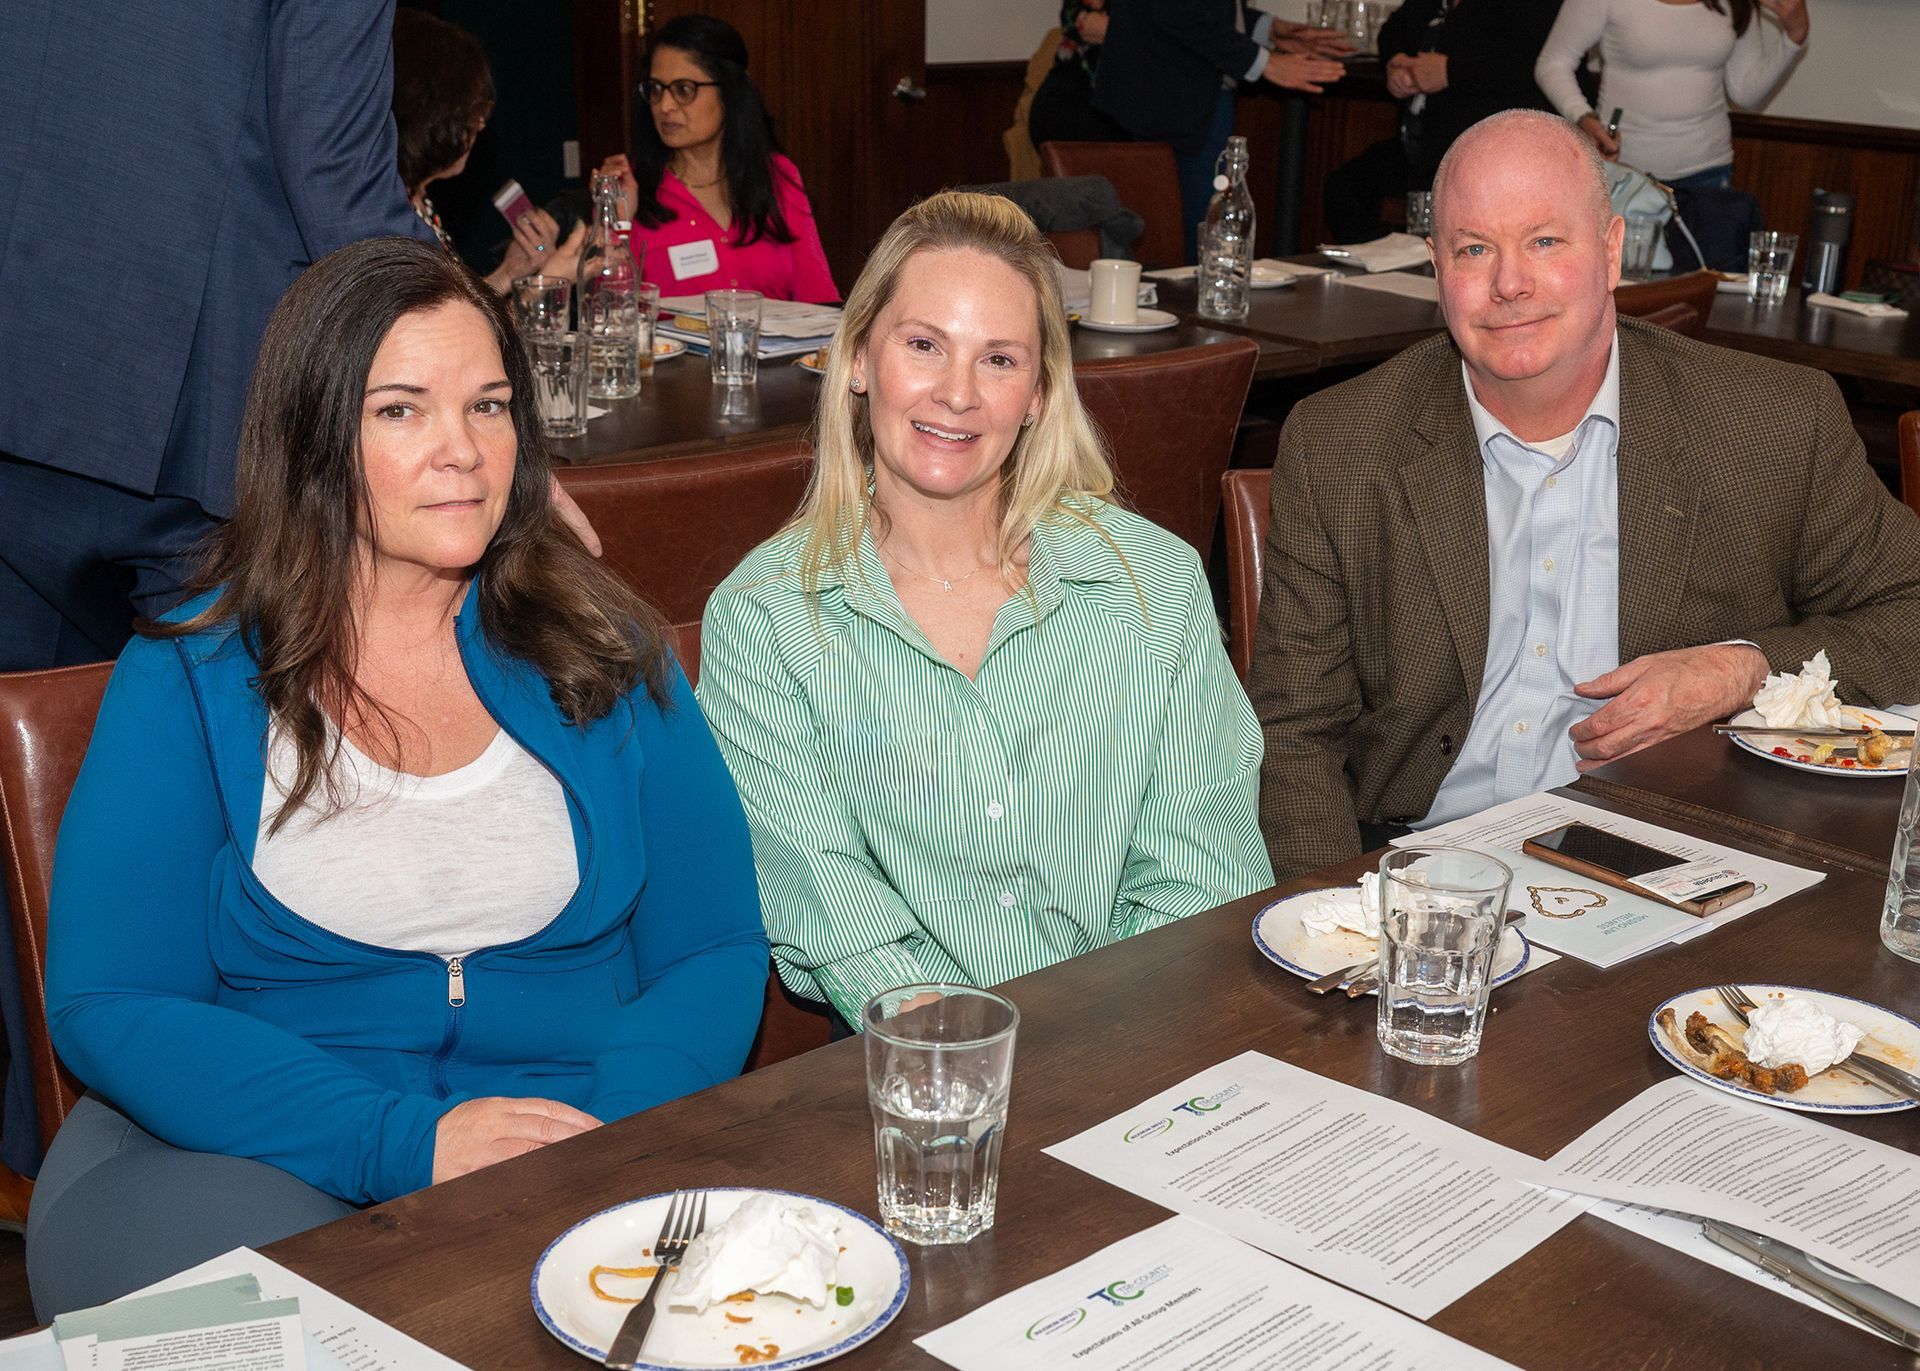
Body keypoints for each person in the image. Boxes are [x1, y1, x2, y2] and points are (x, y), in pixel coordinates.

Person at [27, 238, 768, 1317]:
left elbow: (711, 947)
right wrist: (403, 1142)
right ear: (314, 438)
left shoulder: (606, 649)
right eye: (401, 410)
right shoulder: (190, 675)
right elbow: (113, 999)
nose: (462, 451)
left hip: (571, 1127)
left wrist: (615, 1136)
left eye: (488, 405)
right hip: (237, 1151)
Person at [0, 0, 451, 1190]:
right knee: (261, 789)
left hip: (23, 364)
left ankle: (33, 1149)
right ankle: (278, 1129)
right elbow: (333, 159)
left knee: (15, 799)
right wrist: (468, 374)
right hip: (209, 406)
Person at [1249, 109, 1920, 880]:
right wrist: (1343, 918)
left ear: (1610, 251)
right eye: (1474, 249)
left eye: (1544, 241)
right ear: (1437, 267)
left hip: (1674, 857)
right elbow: (1294, 733)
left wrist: (1745, 669)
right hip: (1414, 860)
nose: (1509, 283)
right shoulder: (1340, 441)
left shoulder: (1770, 424)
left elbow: (1911, 611)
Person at [695, 191, 1273, 1033]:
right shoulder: (767, 621)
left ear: (1039, 393)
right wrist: (983, 1060)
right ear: (857, 359)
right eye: (924, 345)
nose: (957, 393)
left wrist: (1098, 1043)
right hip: (922, 1071)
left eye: (1000, 359)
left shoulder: (1155, 583)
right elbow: (846, 932)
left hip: (1143, 1040)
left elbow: (1205, 877)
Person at [598, 15, 836, 303]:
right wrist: (616, 223)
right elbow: (610, 311)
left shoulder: (776, 176)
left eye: (684, 90)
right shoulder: (630, 187)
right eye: (656, 89)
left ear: (729, 91)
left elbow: (818, 298)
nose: (665, 106)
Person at [1089, 0, 1348, 258]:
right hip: (1161, 101)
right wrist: (1264, 62)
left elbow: (1206, 9)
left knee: (1200, 239)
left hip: (1190, 99)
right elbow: (1174, 10)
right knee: (1177, 248)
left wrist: (1267, 28)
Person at [1323, 0, 1565, 243]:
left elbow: (1540, 63)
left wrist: (1451, 71)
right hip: (1422, 150)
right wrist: (1395, 64)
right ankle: (1388, 263)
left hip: (1492, 156)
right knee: (1346, 188)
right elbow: (1394, 29)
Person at [391, 7, 585, 292]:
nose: (480, 124)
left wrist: (509, 272)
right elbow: (449, 332)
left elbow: (455, 307)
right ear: (428, 113)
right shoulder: (393, 218)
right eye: (469, 111)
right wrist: (544, 283)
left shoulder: (418, 199)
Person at [1535, 0, 1809, 188]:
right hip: (1624, 174)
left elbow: (1747, 93)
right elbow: (1553, 63)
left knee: (1704, 274)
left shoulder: (1735, 3)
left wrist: (1796, 34)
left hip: (1709, 173)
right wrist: (1583, 117)